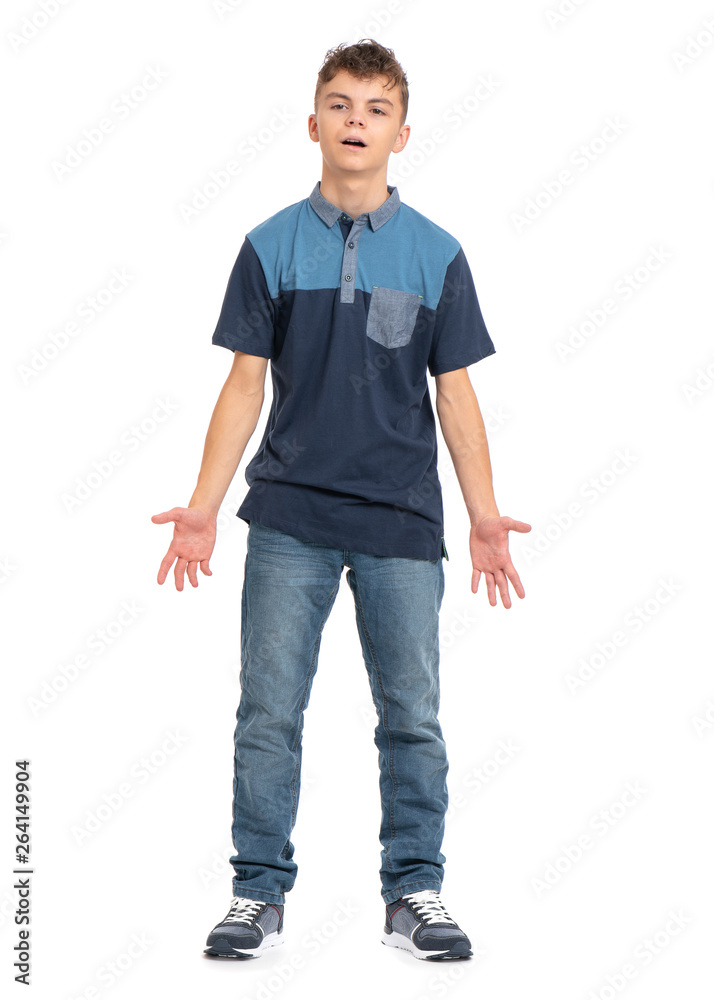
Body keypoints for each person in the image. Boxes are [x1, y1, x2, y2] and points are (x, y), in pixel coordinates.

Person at [152, 38, 530, 963]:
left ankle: (416, 890)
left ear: (404, 133)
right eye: (339, 104)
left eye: (374, 108)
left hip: (402, 521)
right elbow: (245, 384)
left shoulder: (437, 253)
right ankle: (256, 894)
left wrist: (484, 515)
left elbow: (456, 394)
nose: (355, 120)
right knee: (270, 711)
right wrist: (204, 504)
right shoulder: (269, 244)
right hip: (290, 519)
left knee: (412, 715)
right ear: (312, 122)